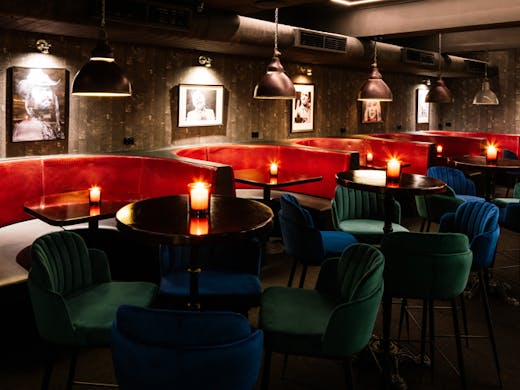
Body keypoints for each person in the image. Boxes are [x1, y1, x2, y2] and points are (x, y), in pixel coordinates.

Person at [12, 68, 63, 142]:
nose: (46, 95)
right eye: (40, 90)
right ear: (30, 96)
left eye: (48, 90)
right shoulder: (27, 128)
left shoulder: (49, 124)